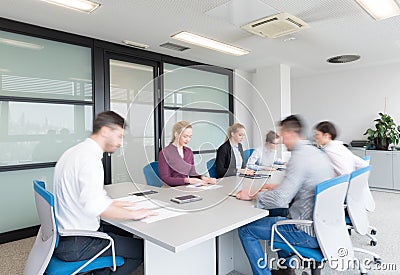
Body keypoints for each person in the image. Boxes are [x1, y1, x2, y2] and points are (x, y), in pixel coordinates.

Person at [53, 111, 157, 275]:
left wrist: (114, 204)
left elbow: (82, 196)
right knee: (143, 249)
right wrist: (134, 213)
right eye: (119, 136)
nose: (120, 143)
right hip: (80, 243)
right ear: (105, 131)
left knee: (125, 233)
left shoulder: (74, 152)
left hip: (65, 236)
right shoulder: (90, 160)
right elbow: (95, 207)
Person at [236, 115, 334, 275]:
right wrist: (275, 188)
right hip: (324, 226)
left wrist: (253, 194)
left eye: (282, 136)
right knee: (279, 213)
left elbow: (281, 199)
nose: (281, 141)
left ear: (290, 134)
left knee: (246, 230)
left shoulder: (299, 157)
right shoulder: (316, 153)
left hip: (306, 231)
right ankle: (286, 269)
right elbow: (300, 186)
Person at [158, 121, 216, 186]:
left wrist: (203, 178)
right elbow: (165, 179)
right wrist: (187, 180)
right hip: (170, 189)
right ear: (176, 134)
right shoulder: (164, 153)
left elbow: (192, 173)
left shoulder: (189, 152)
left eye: (190, 137)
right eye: (185, 136)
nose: (188, 140)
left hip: (185, 187)